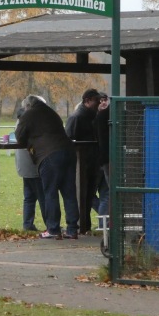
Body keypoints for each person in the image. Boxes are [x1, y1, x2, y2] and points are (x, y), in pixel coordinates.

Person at [15, 94, 79, 239]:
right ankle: (72, 229)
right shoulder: (52, 112)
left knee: (50, 192)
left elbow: (19, 136)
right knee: (69, 192)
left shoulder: (29, 114)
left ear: (28, 106)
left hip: (49, 156)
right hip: (69, 152)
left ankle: (53, 229)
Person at [65, 88, 102, 231]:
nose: (98, 104)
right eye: (96, 102)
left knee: (89, 195)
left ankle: (84, 225)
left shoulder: (93, 116)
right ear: (87, 101)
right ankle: (80, 225)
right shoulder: (77, 117)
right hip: (83, 163)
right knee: (83, 194)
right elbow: (69, 139)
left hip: (92, 162)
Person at [15, 106, 46, 231]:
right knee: (42, 197)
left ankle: (27, 224)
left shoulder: (18, 126)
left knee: (29, 198)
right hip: (33, 168)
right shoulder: (29, 127)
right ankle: (50, 223)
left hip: (24, 169)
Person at [94, 94, 111, 227]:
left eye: (106, 100)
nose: (104, 103)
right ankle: (104, 223)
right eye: (101, 100)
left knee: (107, 193)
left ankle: (104, 224)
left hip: (103, 160)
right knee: (107, 193)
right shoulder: (102, 116)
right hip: (103, 160)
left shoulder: (100, 116)